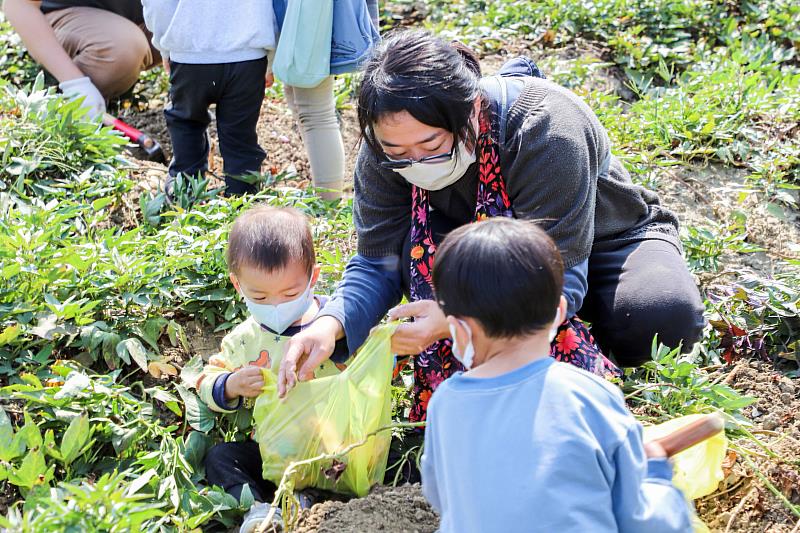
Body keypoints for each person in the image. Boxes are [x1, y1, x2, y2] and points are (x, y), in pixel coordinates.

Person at [276, 30, 705, 422]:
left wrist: (454, 318)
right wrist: (328, 326)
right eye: (398, 151)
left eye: (431, 145)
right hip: (480, 259)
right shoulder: (385, 154)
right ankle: (518, 328)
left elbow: (561, 275)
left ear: (472, 108)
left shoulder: (545, 130)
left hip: (596, 243)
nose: (414, 163)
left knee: (658, 319)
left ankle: (575, 331)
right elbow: (377, 263)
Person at [421, 218, 692, 533]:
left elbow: (442, 495)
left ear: (458, 329)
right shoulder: (589, 395)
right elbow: (642, 521)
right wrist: (657, 475)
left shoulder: (445, 403)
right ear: (559, 311)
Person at [192, 206, 350, 533]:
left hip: (331, 451)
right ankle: (259, 509)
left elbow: (376, 364)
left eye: (290, 293)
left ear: (313, 278)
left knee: (357, 465)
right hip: (270, 453)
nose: (276, 305)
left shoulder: (333, 326)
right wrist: (230, 384)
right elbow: (205, 381)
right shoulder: (245, 340)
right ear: (238, 285)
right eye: (260, 296)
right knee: (221, 459)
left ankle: (306, 505)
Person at [142, 0, 276, 196]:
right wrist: (270, 57)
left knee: (187, 125)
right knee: (240, 140)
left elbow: (158, 4)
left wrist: (166, 45)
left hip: (190, 53)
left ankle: (184, 199)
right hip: (248, 53)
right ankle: (242, 206)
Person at [271, 0, 379, 201]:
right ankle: (327, 194)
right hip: (310, 13)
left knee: (315, 112)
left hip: (311, 13)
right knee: (300, 97)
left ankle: (328, 202)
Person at [2, 0, 160, 119]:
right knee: (125, 47)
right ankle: (70, 106)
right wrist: (75, 83)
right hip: (66, 17)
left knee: (182, 28)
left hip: (140, 17)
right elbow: (18, 4)